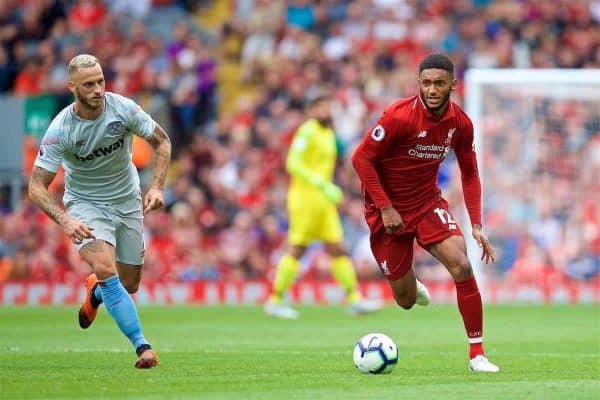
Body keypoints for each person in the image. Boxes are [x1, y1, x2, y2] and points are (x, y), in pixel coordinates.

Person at [351, 54, 500, 372]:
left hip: (427, 203)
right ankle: (411, 284)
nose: (433, 90)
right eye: (427, 83)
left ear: (453, 86)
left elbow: (470, 174)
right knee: (404, 300)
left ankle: (477, 354)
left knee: (461, 264)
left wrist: (475, 224)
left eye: (440, 83)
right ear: (419, 83)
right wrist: (385, 206)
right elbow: (361, 158)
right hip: (387, 212)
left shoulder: (461, 124)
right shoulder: (399, 116)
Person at [28, 54, 171, 369]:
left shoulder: (123, 109)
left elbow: (161, 142)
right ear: (72, 87)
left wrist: (157, 187)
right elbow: (36, 186)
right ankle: (143, 347)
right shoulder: (60, 130)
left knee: (128, 284)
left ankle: (95, 291)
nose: (97, 89)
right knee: (107, 270)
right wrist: (66, 220)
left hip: (127, 200)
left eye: (100, 81)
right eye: (89, 84)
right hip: (86, 204)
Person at [264, 95, 383, 319]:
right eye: (320, 107)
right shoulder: (307, 131)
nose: (326, 111)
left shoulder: (328, 134)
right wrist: (320, 183)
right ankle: (275, 299)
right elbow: (293, 163)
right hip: (305, 200)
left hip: (324, 203)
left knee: (338, 248)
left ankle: (355, 299)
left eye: (328, 107)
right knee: (298, 248)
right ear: (311, 110)